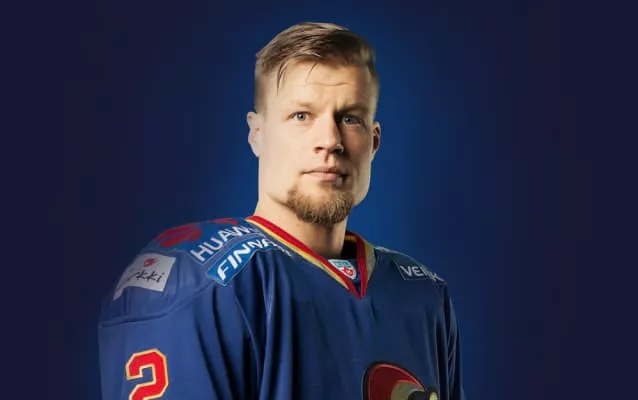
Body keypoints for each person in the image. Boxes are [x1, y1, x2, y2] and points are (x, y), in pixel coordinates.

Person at [98, 22, 465, 400]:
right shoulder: (202, 284)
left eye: (350, 118)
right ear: (257, 133)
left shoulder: (423, 295)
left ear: (373, 142)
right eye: (302, 115)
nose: (330, 141)